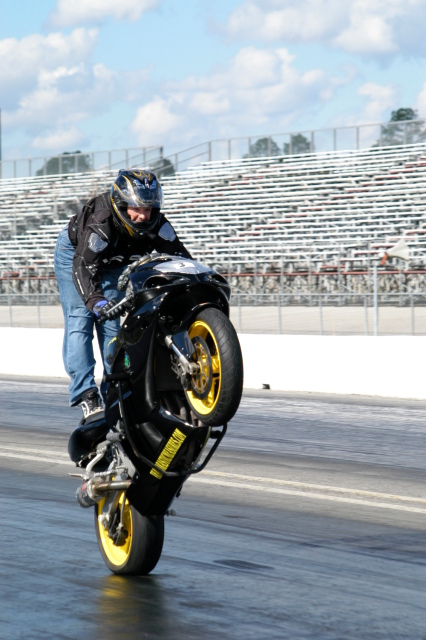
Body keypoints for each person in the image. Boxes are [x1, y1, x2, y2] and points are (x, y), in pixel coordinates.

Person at [54, 169, 192, 420]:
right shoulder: (101, 222)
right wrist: (95, 301)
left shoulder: (158, 224)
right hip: (76, 256)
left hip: (114, 261)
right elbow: (84, 268)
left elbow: (180, 257)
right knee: (81, 318)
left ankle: (114, 389)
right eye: (136, 209)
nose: (143, 216)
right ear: (120, 204)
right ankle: (86, 394)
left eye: (148, 209)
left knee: (112, 323)